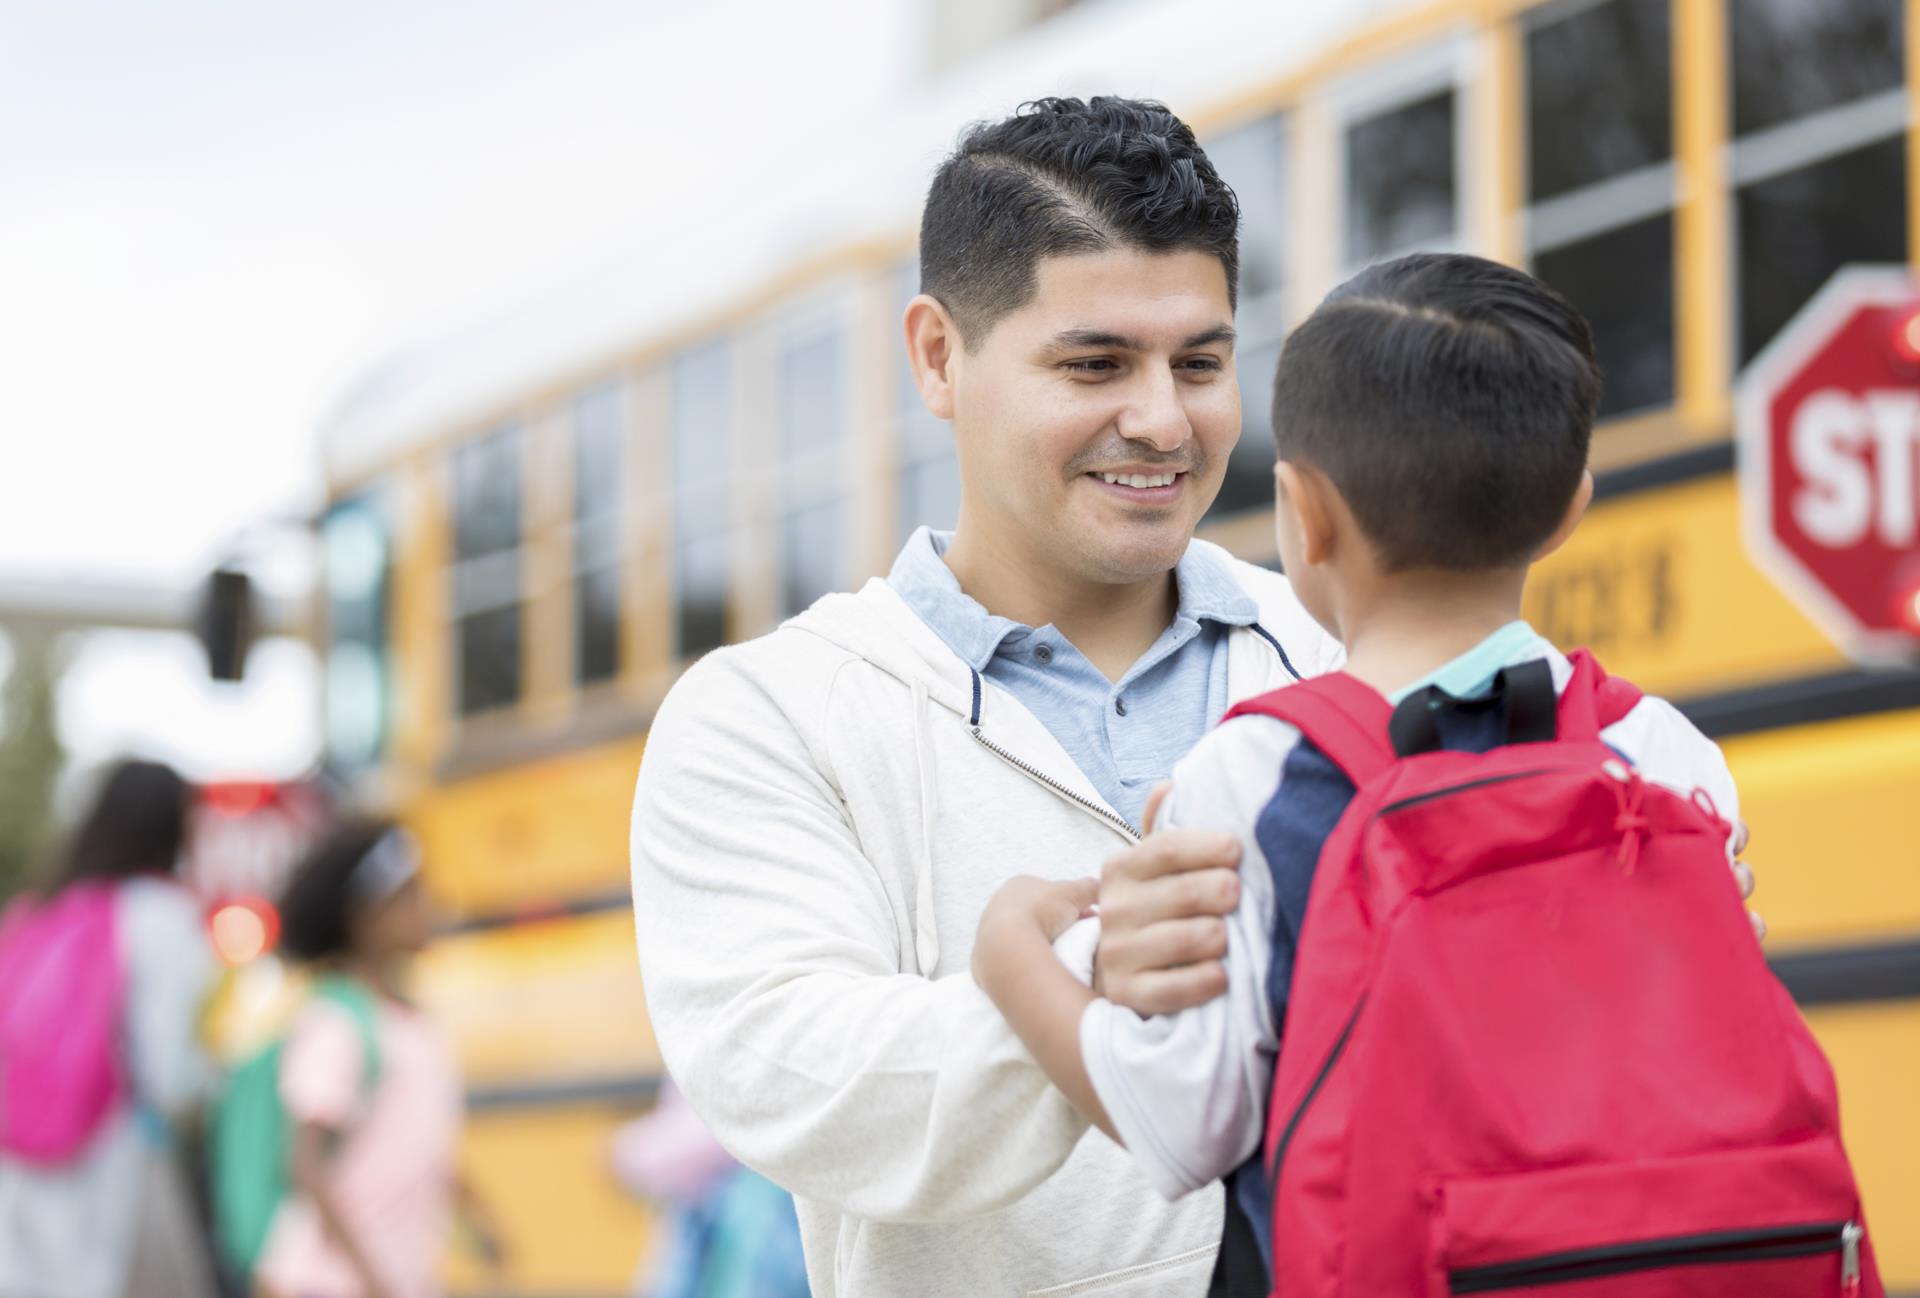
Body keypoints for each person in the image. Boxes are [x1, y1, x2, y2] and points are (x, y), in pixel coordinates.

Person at [630, 95, 1344, 1296]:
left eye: (1203, 362)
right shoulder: (767, 715)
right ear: (936, 355)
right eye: (1096, 362)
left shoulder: (1340, 649)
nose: (1164, 419)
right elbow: (796, 1074)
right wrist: (1090, 985)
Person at [970, 254, 1762, 1292]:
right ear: (1572, 508)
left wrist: (1010, 956)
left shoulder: (1251, 775)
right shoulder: (1663, 752)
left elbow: (1179, 1123)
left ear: (1305, 513)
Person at [250, 820, 501, 1298]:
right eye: (410, 895)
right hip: (323, 1283)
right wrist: (371, 1280)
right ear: (365, 918)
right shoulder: (336, 1022)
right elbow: (305, 1165)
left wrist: (474, 1211)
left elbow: (418, 1146)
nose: (429, 906)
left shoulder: (417, 1024)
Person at [0, 757, 219, 1298]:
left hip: (16, 1164)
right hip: (106, 1166)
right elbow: (172, 1079)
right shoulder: (161, 917)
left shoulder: (43, 907)